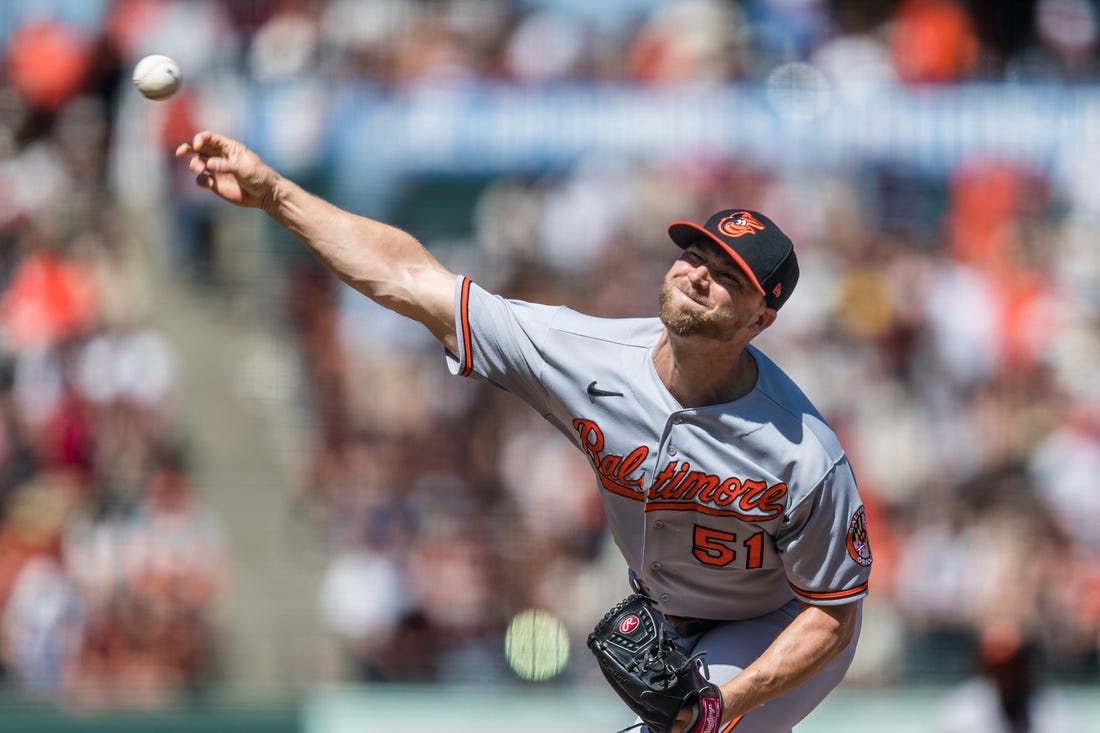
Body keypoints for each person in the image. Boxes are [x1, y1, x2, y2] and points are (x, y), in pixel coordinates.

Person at [175, 131, 873, 733]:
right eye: (696, 255)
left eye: (728, 277)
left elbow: (834, 615)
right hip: (666, 611)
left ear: (760, 319)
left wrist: (724, 699)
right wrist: (274, 194)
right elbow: (410, 278)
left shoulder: (803, 451)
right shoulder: (586, 354)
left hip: (781, 624)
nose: (699, 276)